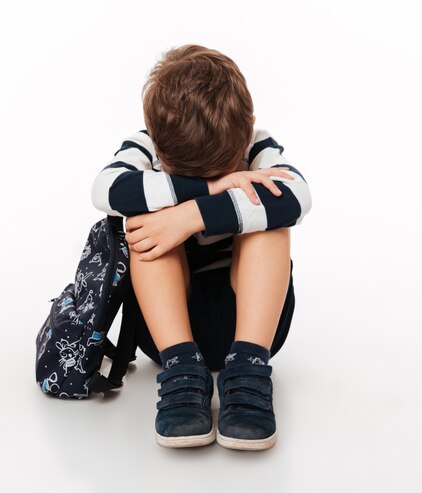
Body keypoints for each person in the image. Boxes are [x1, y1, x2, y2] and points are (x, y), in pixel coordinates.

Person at [89, 44, 312, 450]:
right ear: (155, 138)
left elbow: (299, 198)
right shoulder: (145, 147)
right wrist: (210, 188)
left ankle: (247, 371)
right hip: (170, 332)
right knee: (143, 229)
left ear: (248, 130)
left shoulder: (256, 147)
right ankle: (182, 374)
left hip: (253, 326)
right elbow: (105, 189)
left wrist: (188, 217)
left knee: (271, 221)